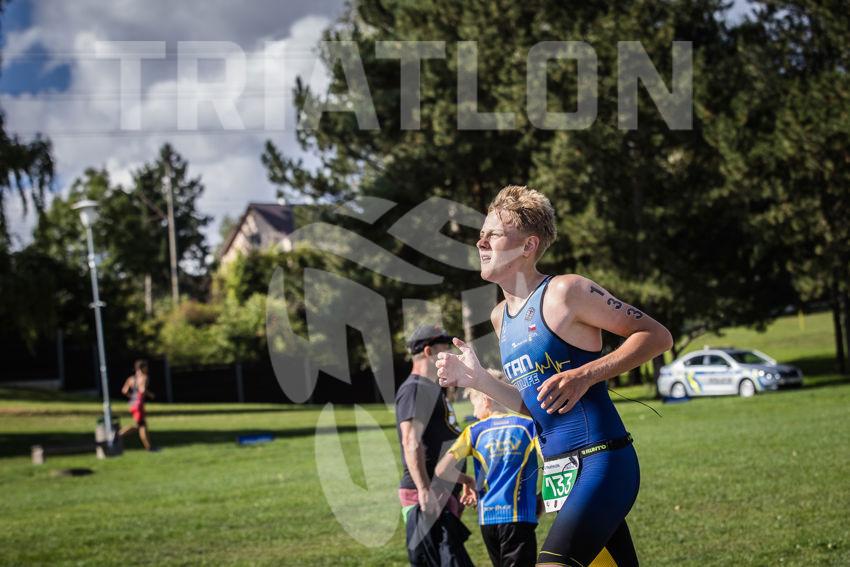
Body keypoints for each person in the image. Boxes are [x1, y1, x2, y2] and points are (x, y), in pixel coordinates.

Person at [436, 186, 673, 566]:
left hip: (602, 461)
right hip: (560, 471)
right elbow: (535, 407)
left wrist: (586, 374)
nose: (481, 241)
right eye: (481, 233)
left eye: (493, 233)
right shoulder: (500, 318)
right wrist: (477, 379)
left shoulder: (567, 291)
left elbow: (657, 336)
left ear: (528, 246)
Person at [434, 369, 542, 567]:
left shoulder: (473, 432)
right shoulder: (529, 426)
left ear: (486, 400)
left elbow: (442, 470)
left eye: (474, 404)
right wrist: (542, 498)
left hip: (488, 519)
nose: (474, 413)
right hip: (520, 516)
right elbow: (551, 463)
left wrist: (467, 480)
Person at [395, 324, 474, 567]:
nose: (450, 353)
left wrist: (461, 479)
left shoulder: (432, 389)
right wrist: (424, 489)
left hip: (442, 491)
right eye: (444, 348)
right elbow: (411, 441)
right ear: (428, 352)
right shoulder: (414, 389)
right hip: (427, 495)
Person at [118, 359, 155, 451]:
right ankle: (118, 434)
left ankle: (149, 447)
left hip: (132, 404)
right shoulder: (144, 377)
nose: (147, 369)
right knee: (139, 426)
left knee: (142, 426)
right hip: (139, 405)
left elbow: (124, 391)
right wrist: (150, 394)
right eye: (146, 367)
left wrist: (132, 397)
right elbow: (142, 390)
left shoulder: (131, 379)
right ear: (142, 368)